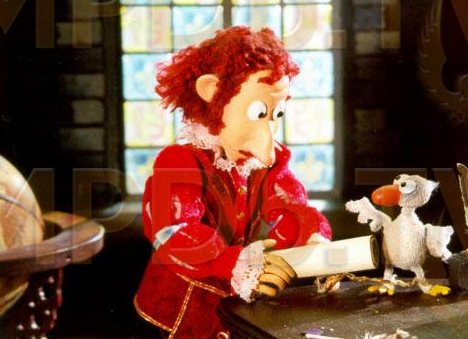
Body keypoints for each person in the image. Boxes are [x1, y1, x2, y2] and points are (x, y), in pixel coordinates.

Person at [134, 26, 332, 338]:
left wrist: (311, 244)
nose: (270, 130)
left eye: (277, 113)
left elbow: (289, 205)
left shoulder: (261, 161)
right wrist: (238, 262)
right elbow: (172, 231)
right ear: (212, 93)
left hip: (234, 301)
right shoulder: (178, 161)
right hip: (180, 307)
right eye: (259, 112)